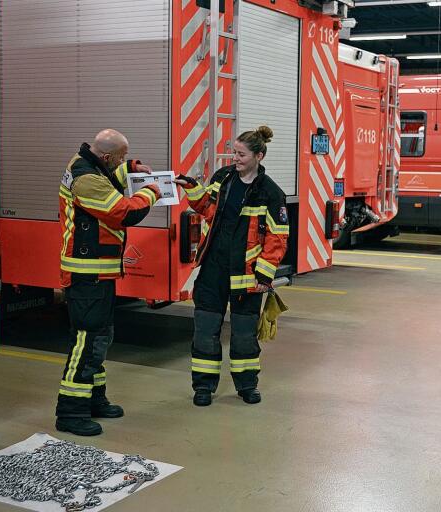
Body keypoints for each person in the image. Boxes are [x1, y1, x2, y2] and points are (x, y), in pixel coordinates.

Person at [56, 129, 160, 436]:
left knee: (99, 338)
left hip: (97, 272)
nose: (124, 161)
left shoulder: (89, 164)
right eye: (122, 157)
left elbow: (109, 175)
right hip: (86, 273)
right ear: (106, 156)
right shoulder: (86, 178)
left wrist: (132, 168)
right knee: (87, 342)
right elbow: (122, 212)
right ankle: (71, 412)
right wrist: (151, 192)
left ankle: (94, 400)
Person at [175, 126, 288, 407]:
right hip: (213, 268)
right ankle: (203, 387)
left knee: (244, 335)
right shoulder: (223, 178)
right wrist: (191, 187)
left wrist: (264, 274)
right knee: (205, 330)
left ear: (258, 156)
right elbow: (208, 208)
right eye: (233, 152)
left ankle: (247, 385)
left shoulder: (271, 193)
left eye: (241, 154)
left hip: (247, 275)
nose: (234, 159)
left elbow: (277, 238)